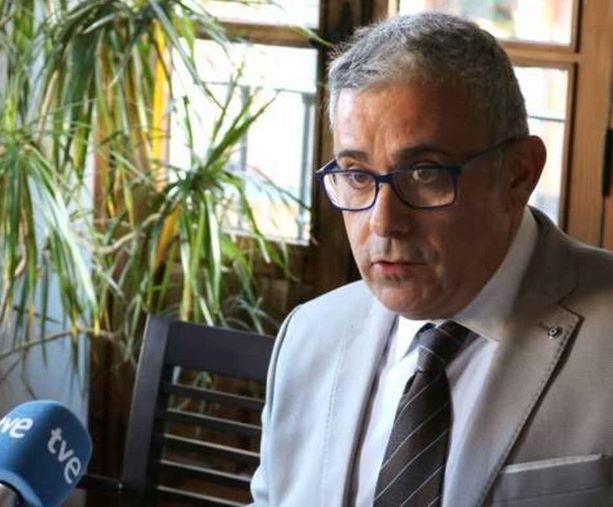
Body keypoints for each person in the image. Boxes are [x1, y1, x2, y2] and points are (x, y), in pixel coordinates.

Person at [250, 12, 613, 507]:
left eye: (424, 173)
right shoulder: (309, 334)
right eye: (357, 176)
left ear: (518, 174)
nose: (383, 222)